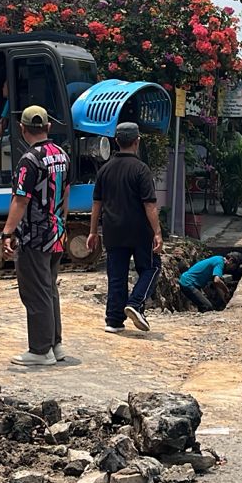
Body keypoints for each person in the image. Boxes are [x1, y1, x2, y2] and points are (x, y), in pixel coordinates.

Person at [1, 106, 72, 366]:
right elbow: (65, 191)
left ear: (22, 128)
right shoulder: (62, 155)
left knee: (35, 291)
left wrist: (7, 232)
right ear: (48, 127)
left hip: (34, 235)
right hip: (57, 232)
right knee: (49, 288)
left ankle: (40, 350)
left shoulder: (28, 160)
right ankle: (55, 344)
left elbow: (21, 200)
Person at [86, 122, 162, 334]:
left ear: (116, 142)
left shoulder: (105, 169)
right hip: (139, 231)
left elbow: (96, 204)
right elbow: (150, 205)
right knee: (152, 267)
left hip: (112, 230)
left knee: (116, 275)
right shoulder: (141, 169)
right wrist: (157, 232)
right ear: (137, 141)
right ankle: (136, 303)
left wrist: (93, 231)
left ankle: (113, 320)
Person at [178, 252, 242, 312]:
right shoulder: (220, 263)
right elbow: (217, 281)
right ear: (231, 260)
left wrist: (225, 302)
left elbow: (216, 285)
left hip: (191, 282)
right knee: (207, 307)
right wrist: (226, 290)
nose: (233, 269)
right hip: (188, 283)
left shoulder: (218, 259)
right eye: (234, 266)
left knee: (205, 304)